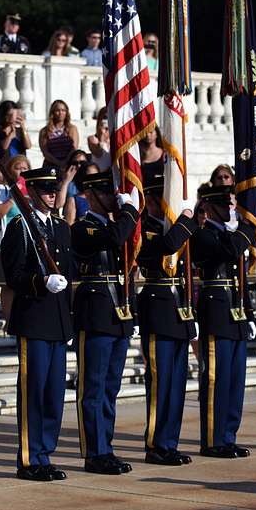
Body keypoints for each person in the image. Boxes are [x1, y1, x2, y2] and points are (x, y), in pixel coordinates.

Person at [1, 166, 73, 482]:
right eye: (45, 190)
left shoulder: (60, 227)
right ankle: (30, 459)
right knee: (34, 392)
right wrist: (40, 281)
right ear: (30, 191)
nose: (51, 195)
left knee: (54, 394)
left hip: (57, 321)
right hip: (33, 320)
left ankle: (45, 453)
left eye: (54, 190)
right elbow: (13, 275)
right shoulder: (20, 227)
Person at [71, 169, 142, 474]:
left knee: (111, 387)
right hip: (96, 314)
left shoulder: (117, 226)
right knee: (93, 387)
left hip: (119, 314)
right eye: (107, 194)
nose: (113, 199)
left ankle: (107, 447)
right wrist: (130, 209)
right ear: (90, 195)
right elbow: (115, 236)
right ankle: (94, 452)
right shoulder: (83, 228)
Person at [189, 182, 256, 459]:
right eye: (224, 204)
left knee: (235, 379)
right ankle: (212, 439)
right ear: (208, 206)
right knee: (216, 379)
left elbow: (241, 278)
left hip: (236, 310)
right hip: (216, 311)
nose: (230, 209)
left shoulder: (232, 234)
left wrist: (250, 313)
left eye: (231, 204)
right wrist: (248, 225)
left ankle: (229, 435)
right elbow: (229, 251)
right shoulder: (203, 234)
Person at [135, 162, 198, 465]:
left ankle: (169, 442)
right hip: (157, 307)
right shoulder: (143, 230)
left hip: (179, 310)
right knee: (160, 382)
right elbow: (167, 245)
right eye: (162, 197)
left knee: (177, 383)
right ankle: (155, 444)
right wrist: (186, 222)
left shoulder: (178, 228)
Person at [0, 154, 31, 320]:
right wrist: (14, 196)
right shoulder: (1, 190)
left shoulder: (33, 192)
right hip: (7, 244)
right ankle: (8, 319)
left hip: (29, 243)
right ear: (9, 170)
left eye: (25, 167)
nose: (21, 170)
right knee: (8, 284)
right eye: (17, 167)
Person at [39, 99, 79, 170]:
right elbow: (45, 152)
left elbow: (74, 148)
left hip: (68, 165)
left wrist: (65, 162)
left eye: (63, 110)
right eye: (57, 110)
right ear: (53, 112)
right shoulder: (44, 131)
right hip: (50, 166)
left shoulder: (72, 129)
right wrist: (58, 162)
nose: (60, 113)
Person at [56, 149, 90, 224]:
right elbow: (58, 204)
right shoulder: (66, 181)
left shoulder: (90, 180)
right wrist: (65, 181)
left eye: (82, 162)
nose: (79, 165)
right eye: (75, 163)